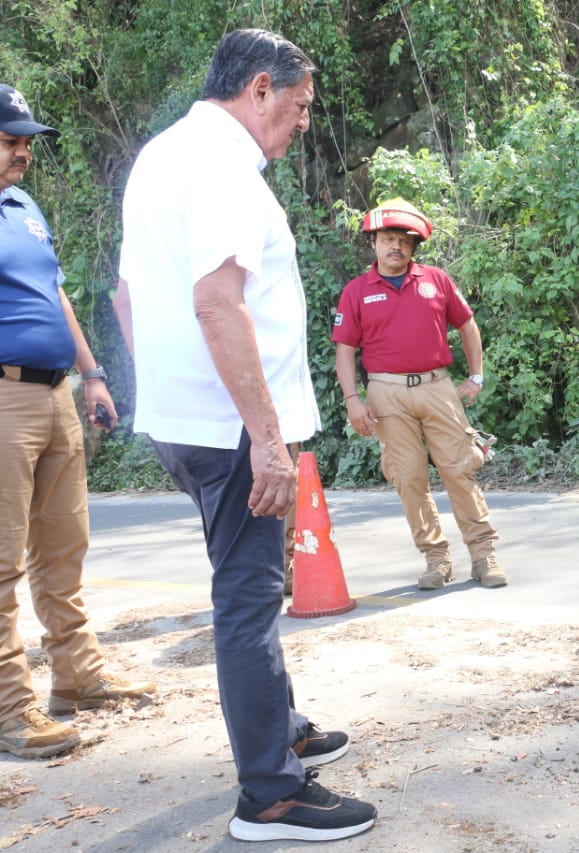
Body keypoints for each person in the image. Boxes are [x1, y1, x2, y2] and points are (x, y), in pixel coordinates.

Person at [113, 30, 377, 841]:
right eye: (298, 107)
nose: (302, 124)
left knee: (246, 583)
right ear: (259, 89)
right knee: (251, 598)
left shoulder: (162, 155)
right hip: (233, 428)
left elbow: (127, 296)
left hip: (186, 418)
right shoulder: (223, 166)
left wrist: (161, 391)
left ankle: (282, 724)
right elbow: (218, 303)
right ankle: (271, 793)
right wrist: (267, 439)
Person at [0, 85, 155, 760]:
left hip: (56, 393)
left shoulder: (25, 207)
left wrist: (91, 373)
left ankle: (76, 675)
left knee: (64, 547)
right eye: (10, 138)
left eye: (26, 138)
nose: (23, 148)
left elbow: (53, 291)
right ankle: (10, 709)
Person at [333, 198, 505, 591]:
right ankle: (436, 560)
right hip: (385, 393)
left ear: (413, 247)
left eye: (405, 241)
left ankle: (483, 555)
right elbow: (345, 350)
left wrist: (475, 377)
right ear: (374, 243)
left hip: (437, 386)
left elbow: (468, 325)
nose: (397, 246)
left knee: (459, 468)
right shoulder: (356, 292)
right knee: (408, 477)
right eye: (389, 239)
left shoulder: (436, 280)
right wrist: (353, 401)